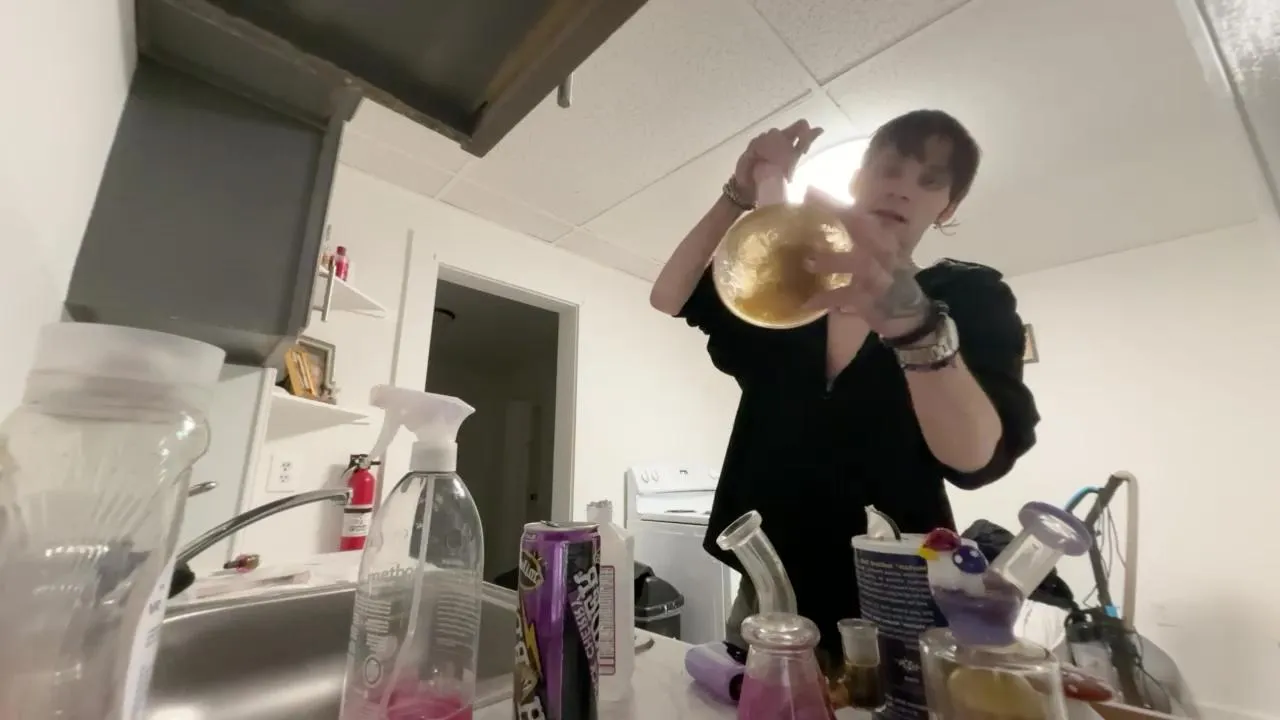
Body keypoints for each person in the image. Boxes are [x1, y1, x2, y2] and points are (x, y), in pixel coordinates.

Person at [648, 110, 1039, 665]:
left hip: (897, 594)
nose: (902, 188)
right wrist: (740, 192)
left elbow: (973, 458)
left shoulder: (968, 297)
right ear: (857, 180)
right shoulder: (793, 292)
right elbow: (669, 295)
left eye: (929, 181)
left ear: (947, 207)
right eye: (889, 169)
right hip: (769, 586)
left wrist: (913, 324)